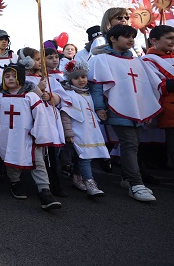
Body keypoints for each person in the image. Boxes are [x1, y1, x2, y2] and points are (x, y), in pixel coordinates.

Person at [88, 25, 161, 202]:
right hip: (117, 109)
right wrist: (99, 107)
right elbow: (97, 86)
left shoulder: (138, 61)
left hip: (137, 108)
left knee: (133, 145)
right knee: (129, 145)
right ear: (113, 38)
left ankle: (126, 178)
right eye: (126, 36)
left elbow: (146, 87)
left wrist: (148, 108)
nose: (131, 40)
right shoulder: (101, 59)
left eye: (133, 37)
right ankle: (136, 184)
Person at [0, 63, 62, 210]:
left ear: (21, 77)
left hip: (29, 137)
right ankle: (15, 183)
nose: (11, 79)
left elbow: (40, 116)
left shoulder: (30, 96)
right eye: (7, 76)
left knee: (37, 162)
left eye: (14, 76)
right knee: (10, 159)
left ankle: (45, 191)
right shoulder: (0, 96)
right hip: (9, 136)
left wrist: (40, 135)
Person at [18, 47, 68, 197]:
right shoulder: (23, 80)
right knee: (37, 154)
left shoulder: (49, 79)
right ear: (27, 60)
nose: (40, 62)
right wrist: (37, 90)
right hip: (34, 122)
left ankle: (55, 185)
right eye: (37, 59)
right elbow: (21, 98)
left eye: (41, 59)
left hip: (50, 120)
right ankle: (35, 185)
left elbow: (63, 97)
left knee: (51, 155)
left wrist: (53, 97)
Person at [59, 60, 110, 198]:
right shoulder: (69, 94)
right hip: (78, 130)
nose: (81, 80)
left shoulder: (88, 93)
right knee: (85, 156)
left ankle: (77, 178)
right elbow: (65, 115)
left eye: (83, 77)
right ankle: (90, 184)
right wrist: (68, 133)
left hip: (90, 130)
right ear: (70, 80)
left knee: (83, 155)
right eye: (76, 78)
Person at [142, 25, 174, 169]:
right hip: (169, 110)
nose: (173, 41)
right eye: (169, 38)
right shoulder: (148, 61)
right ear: (154, 40)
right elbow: (158, 86)